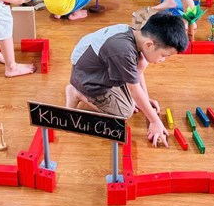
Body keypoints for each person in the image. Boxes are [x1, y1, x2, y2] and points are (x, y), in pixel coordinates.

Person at [64, 13, 189, 147]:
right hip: (87, 79)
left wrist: (145, 99)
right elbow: (134, 89)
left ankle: (82, 91)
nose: (163, 59)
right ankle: (76, 93)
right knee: (124, 112)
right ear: (149, 44)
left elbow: (136, 75)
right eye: (164, 55)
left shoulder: (136, 35)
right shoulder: (123, 50)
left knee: (142, 63)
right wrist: (155, 121)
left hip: (98, 67)